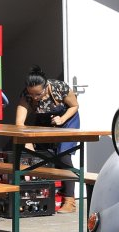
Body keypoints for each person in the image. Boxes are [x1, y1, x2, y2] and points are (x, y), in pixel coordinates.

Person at [13, 66, 80, 211]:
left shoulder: (59, 87)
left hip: (67, 120)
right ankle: (41, 197)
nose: (35, 97)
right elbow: (19, 122)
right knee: (42, 156)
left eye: (38, 94)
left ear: (46, 87)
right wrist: (27, 141)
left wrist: (62, 119)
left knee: (64, 156)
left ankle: (70, 201)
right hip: (45, 121)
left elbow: (74, 106)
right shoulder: (26, 95)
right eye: (32, 94)